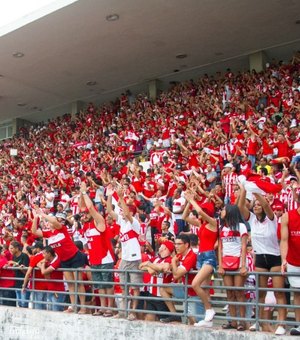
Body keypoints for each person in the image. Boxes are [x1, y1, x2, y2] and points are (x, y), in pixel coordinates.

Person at [238, 184, 287, 335]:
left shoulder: (272, 219)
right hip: (260, 258)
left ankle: (281, 323)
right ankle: (259, 321)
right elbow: (240, 206)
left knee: (279, 293)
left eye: (259, 205)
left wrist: (256, 192)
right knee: (260, 293)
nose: (257, 206)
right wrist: (244, 189)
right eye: (255, 205)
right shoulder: (252, 219)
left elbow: (266, 204)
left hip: (274, 258)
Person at [31, 207, 87, 314]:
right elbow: (34, 231)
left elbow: (53, 221)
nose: (52, 222)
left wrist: (42, 214)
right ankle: (73, 306)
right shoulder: (48, 234)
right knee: (70, 284)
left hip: (75, 256)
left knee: (78, 283)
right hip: (64, 260)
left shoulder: (62, 228)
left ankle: (83, 307)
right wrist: (35, 218)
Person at [79, 182, 115, 317]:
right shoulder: (87, 226)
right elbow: (82, 206)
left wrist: (84, 192)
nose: (83, 216)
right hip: (94, 259)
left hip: (105, 258)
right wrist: (80, 194)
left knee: (108, 285)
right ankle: (103, 307)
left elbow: (89, 207)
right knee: (100, 286)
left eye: (85, 214)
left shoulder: (99, 221)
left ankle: (110, 308)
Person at [107, 185, 142, 321]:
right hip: (124, 259)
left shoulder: (135, 223)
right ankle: (123, 311)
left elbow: (126, 213)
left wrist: (121, 197)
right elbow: (110, 210)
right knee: (123, 287)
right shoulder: (122, 223)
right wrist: (110, 195)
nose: (121, 212)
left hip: (134, 259)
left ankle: (132, 311)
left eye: (123, 210)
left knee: (135, 287)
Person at [184, 192, 218, 327]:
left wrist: (192, 200)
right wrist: (188, 202)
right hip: (201, 256)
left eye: (204, 211)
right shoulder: (201, 224)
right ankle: (208, 319)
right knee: (204, 288)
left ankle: (209, 310)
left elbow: (199, 211)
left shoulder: (213, 223)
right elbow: (184, 217)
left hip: (209, 257)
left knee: (195, 284)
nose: (200, 213)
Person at [159, 234, 203, 325]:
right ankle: (175, 315)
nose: (176, 246)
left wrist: (173, 262)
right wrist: (169, 265)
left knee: (196, 323)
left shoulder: (191, 256)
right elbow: (171, 268)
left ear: (186, 245)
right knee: (163, 288)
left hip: (195, 293)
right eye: (175, 244)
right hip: (186, 289)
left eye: (179, 244)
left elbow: (176, 276)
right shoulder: (180, 255)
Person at [218, 204, 248, 331]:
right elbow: (220, 248)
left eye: (224, 209)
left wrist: (243, 265)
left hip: (238, 262)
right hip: (225, 263)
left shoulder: (241, 226)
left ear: (230, 211)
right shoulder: (222, 228)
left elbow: (244, 246)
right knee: (230, 293)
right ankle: (233, 321)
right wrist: (220, 265)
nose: (221, 211)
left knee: (239, 293)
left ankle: (242, 321)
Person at [139, 240, 174, 321]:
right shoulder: (156, 259)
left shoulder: (169, 260)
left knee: (164, 320)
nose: (159, 247)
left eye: (161, 245)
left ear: (165, 248)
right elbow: (140, 266)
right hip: (151, 294)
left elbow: (161, 268)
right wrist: (148, 268)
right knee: (148, 319)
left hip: (161, 297)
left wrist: (149, 264)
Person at [280, 201, 300, 336]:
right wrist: (284, 260)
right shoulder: (287, 216)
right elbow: (284, 240)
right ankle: (299, 324)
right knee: (297, 294)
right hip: (293, 261)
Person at [38, 246, 65, 311]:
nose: (43, 255)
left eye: (44, 253)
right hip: (50, 289)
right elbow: (38, 264)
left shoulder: (56, 261)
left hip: (57, 291)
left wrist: (43, 263)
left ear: (49, 253)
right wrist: (43, 265)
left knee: (57, 311)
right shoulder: (49, 261)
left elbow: (43, 272)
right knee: (50, 311)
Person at [22, 241, 48, 310]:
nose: (33, 250)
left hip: (37, 286)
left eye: (34, 248)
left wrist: (24, 286)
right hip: (47, 285)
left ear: (38, 249)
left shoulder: (35, 257)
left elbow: (28, 273)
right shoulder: (48, 255)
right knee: (44, 306)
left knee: (37, 307)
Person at [8, 241, 30, 308]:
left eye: (11, 248)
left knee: (24, 304)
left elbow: (27, 272)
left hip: (24, 284)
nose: (10, 250)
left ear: (17, 248)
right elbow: (14, 269)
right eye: (9, 248)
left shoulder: (24, 256)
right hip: (16, 283)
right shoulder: (13, 257)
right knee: (20, 304)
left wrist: (16, 264)